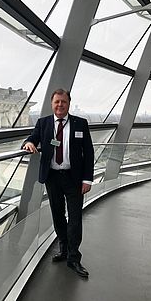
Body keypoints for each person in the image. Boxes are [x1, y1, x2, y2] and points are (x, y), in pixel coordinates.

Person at [22, 88, 94, 278]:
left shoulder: (80, 124)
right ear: (52, 104)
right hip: (52, 177)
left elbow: (89, 153)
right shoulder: (43, 123)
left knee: (75, 217)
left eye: (63, 101)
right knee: (57, 215)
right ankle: (63, 249)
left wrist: (87, 179)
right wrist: (29, 143)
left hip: (74, 178)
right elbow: (32, 138)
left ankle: (74, 257)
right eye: (57, 102)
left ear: (68, 103)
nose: (60, 105)